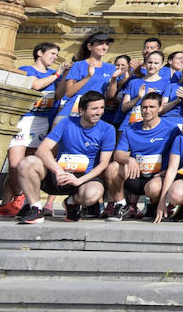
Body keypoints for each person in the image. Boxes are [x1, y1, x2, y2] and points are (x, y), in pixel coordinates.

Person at [13, 90, 116, 225]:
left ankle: (71, 203)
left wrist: (80, 181)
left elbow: (103, 164)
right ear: (81, 110)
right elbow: (42, 150)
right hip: (59, 175)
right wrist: (58, 171)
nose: (99, 112)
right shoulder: (66, 122)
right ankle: (36, 208)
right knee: (27, 162)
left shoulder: (108, 129)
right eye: (94, 108)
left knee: (93, 194)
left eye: (102, 108)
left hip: (83, 178)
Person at [0, 42, 62, 217]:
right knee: (15, 164)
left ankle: (11, 202)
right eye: (52, 53)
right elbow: (35, 85)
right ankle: (16, 195)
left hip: (42, 123)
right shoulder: (26, 69)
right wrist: (57, 74)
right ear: (39, 53)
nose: (55, 57)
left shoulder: (54, 75)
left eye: (56, 55)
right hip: (23, 122)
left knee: (32, 164)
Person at [104, 90, 179, 220]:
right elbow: (118, 154)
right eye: (144, 107)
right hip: (135, 174)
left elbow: (179, 155)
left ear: (160, 108)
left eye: (152, 107)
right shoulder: (130, 129)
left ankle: (153, 205)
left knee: (153, 188)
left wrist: (166, 171)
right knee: (112, 168)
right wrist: (129, 159)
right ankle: (121, 204)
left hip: (157, 177)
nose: (147, 110)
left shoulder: (172, 129)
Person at [53, 31, 122, 129]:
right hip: (71, 111)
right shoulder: (78, 65)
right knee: (55, 143)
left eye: (106, 44)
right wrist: (88, 76)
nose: (104, 47)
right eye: (100, 44)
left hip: (93, 113)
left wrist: (114, 79)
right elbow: (69, 92)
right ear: (90, 47)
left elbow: (110, 95)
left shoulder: (110, 68)